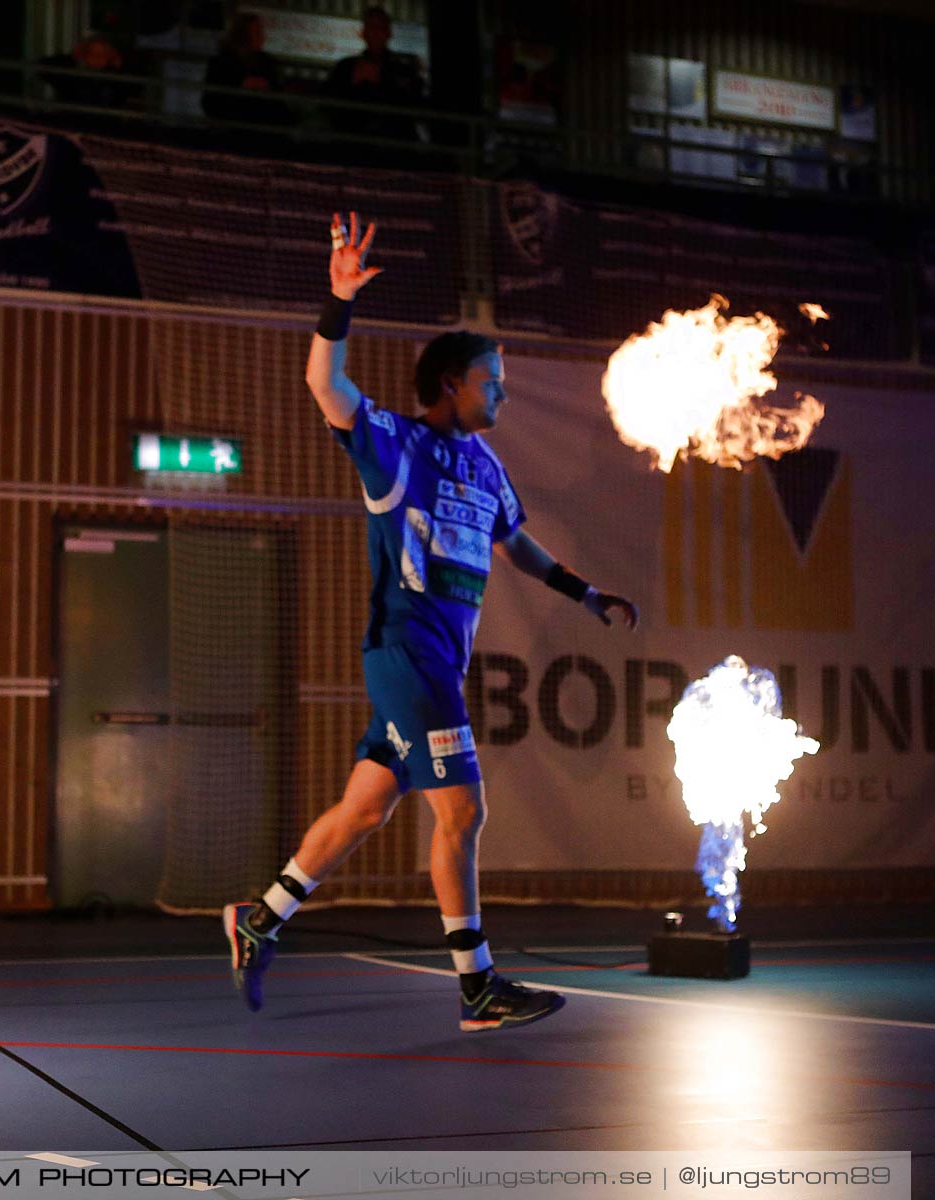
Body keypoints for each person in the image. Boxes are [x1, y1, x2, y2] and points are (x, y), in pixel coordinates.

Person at [223, 213, 639, 1032]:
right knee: (462, 812)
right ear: (452, 381)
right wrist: (338, 297)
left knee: (366, 808)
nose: (503, 393)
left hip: (434, 666)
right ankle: (478, 987)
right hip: (407, 656)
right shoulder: (397, 445)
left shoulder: (486, 466)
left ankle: (261, 917)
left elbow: (516, 545)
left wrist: (588, 596)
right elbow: (324, 386)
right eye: (492, 380)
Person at [322, 7, 424, 141]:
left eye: (380, 27)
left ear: (388, 33)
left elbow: (413, 104)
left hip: (391, 143)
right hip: (352, 141)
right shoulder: (346, 67)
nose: (376, 33)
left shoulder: (404, 70)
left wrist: (382, 81)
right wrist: (354, 81)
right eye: (371, 27)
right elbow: (330, 101)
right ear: (363, 33)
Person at [202, 11, 294, 127]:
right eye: (256, 32)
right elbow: (211, 102)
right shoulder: (222, 64)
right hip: (232, 124)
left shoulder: (267, 62)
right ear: (242, 36)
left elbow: (278, 99)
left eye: (260, 32)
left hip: (262, 124)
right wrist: (241, 86)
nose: (262, 36)